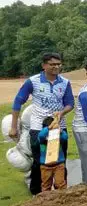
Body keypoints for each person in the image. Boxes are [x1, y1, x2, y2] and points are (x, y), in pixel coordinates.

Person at [10, 52, 74, 194]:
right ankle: (37, 195)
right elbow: (18, 102)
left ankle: (61, 193)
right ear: (44, 65)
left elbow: (70, 103)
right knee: (39, 162)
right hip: (38, 128)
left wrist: (62, 113)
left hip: (58, 128)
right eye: (52, 64)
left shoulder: (64, 82)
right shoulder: (33, 81)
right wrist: (13, 126)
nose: (56, 67)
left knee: (60, 161)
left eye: (58, 64)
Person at [38, 116, 69, 191]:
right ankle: (46, 200)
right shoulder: (42, 138)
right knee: (46, 185)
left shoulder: (58, 137)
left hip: (58, 165)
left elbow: (65, 137)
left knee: (60, 184)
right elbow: (41, 135)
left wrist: (60, 131)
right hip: (45, 166)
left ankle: (63, 199)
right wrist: (49, 128)